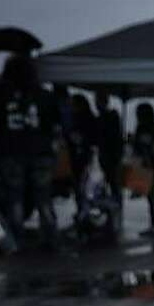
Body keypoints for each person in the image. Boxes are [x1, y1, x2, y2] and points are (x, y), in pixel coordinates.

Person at [0, 53, 60, 249]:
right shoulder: (44, 95)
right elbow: (54, 122)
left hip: (10, 150)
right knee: (43, 196)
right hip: (41, 150)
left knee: (14, 197)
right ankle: (50, 235)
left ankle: (15, 238)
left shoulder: (0, 93)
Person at [132, 103, 154, 237]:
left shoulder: (144, 128)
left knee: (151, 195)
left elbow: (144, 148)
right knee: (153, 195)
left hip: (151, 165)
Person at [66, 94, 97, 228]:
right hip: (85, 158)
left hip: (81, 159)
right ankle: (84, 214)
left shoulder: (79, 120)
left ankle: (83, 215)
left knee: (81, 189)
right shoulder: (89, 119)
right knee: (83, 189)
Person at [92, 90, 124, 207]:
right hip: (108, 154)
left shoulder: (106, 117)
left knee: (111, 181)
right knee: (110, 182)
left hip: (109, 155)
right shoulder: (109, 117)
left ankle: (113, 204)